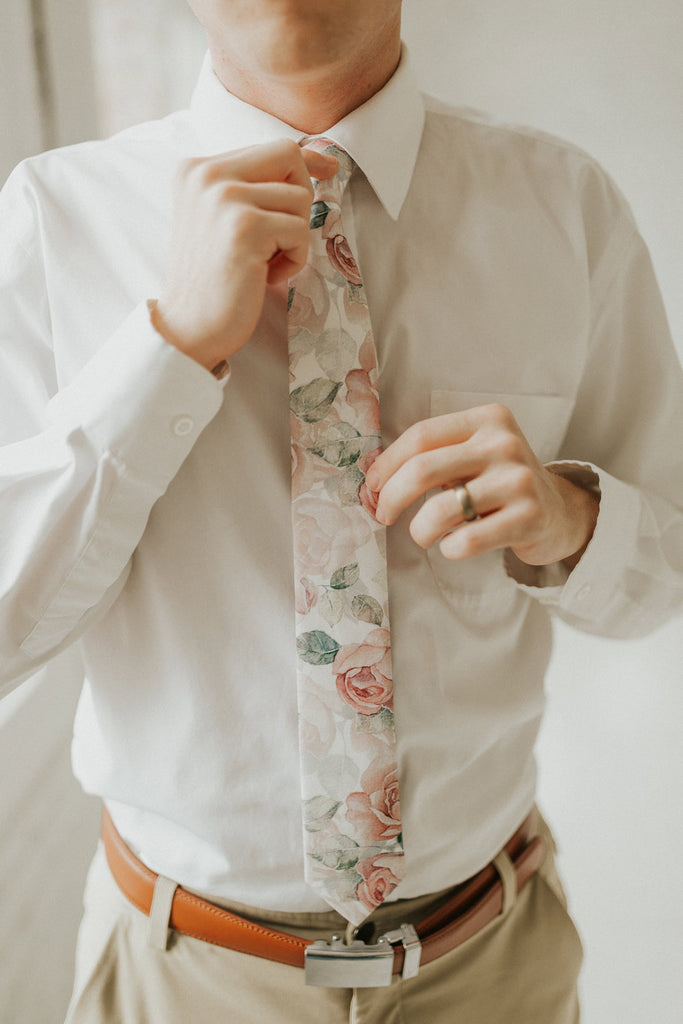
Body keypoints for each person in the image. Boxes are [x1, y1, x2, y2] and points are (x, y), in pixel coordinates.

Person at [1, 1, 681, 1021]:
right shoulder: (56, 219)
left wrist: (568, 516)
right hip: (179, 981)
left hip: (493, 969)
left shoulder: (561, 206)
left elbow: (658, 574)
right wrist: (169, 353)